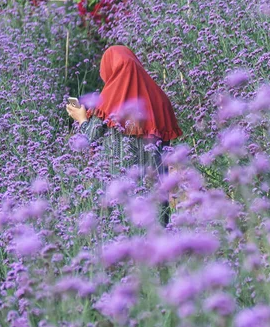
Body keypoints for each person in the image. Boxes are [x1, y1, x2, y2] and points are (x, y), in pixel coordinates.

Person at [66, 45, 183, 227]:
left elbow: (90, 137)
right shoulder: (161, 99)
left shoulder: (109, 98)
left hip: (120, 188)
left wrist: (81, 119)